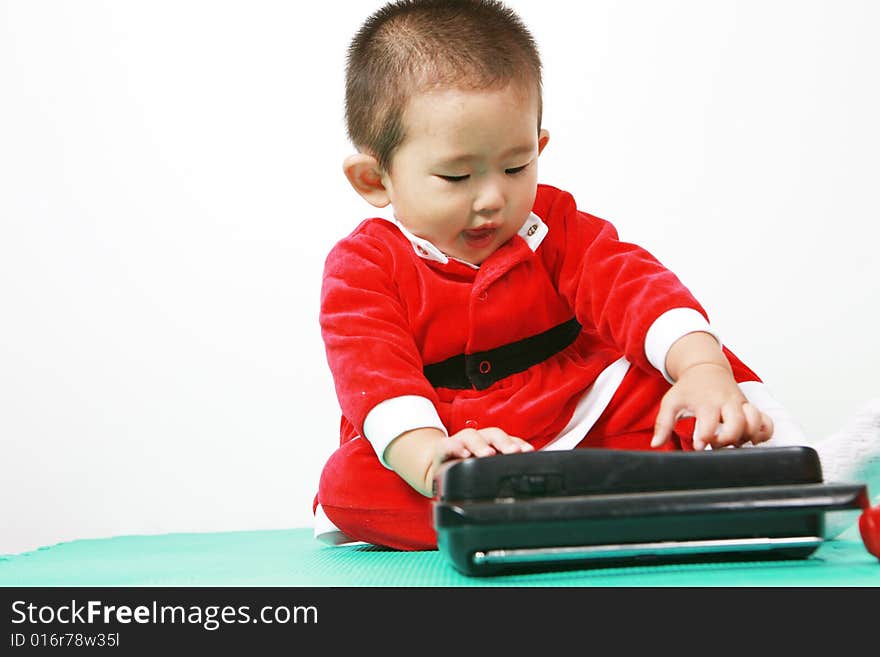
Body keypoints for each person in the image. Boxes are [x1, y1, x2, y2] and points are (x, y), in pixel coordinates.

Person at [312, 0, 865, 550]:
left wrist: (699, 369)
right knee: (350, 482)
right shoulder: (364, 267)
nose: (492, 199)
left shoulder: (553, 227)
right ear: (374, 179)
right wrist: (434, 459)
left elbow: (632, 286)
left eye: (516, 166)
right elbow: (377, 379)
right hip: (461, 448)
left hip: (580, 412)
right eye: (456, 176)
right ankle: (544, 516)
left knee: (682, 379)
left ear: (539, 148)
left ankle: (792, 481)